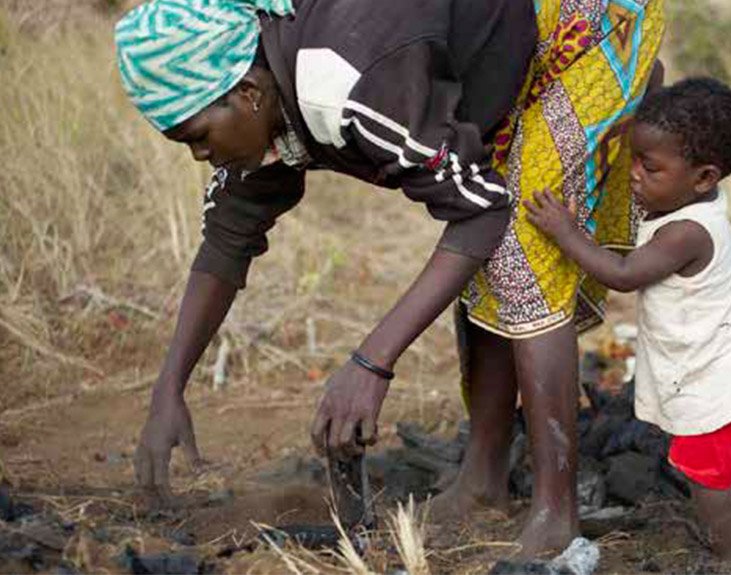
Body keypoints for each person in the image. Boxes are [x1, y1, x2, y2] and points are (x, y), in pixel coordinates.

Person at [115, 0, 664, 556]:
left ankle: (555, 513)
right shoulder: (267, 101)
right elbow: (227, 240)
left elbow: (479, 213)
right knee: (486, 232)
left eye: (197, 136)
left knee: (520, 244)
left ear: (248, 95)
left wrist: (371, 362)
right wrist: (169, 389)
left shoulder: (351, 80)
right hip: (501, 38)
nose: (199, 156)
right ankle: (481, 483)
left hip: (583, 21)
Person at [525, 77, 731, 560]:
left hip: (712, 377)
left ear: (704, 177)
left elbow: (624, 274)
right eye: (634, 160)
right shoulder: (697, 206)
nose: (633, 175)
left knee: (707, 478)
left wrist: (565, 233)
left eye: (650, 167)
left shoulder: (686, 233)